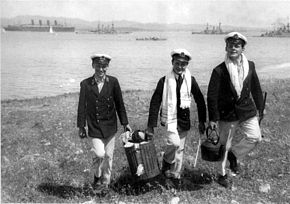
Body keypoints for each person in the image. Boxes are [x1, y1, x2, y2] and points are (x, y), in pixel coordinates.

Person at [207, 32, 264, 188]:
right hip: (228, 113)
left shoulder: (250, 65)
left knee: (255, 137)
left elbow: (256, 88)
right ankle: (222, 175)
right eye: (230, 45)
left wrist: (261, 108)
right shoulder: (219, 70)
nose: (233, 48)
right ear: (226, 47)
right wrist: (213, 118)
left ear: (242, 48)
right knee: (224, 145)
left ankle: (234, 155)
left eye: (237, 45)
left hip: (247, 110)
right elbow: (211, 96)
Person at [146, 48, 207, 186]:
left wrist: (202, 121)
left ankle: (174, 176)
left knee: (180, 150)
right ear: (172, 62)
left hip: (184, 121)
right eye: (177, 63)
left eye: (183, 64)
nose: (180, 67)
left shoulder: (191, 81)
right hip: (170, 120)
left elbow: (200, 100)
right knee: (174, 143)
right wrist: (151, 125)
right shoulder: (164, 81)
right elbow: (155, 102)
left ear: (187, 65)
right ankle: (167, 164)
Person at [77, 54, 132, 192]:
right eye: (98, 66)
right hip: (94, 127)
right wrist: (81, 126)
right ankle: (97, 177)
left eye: (104, 66)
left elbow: (120, 104)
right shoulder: (85, 84)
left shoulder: (113, 82)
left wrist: (125, 123)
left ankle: (105, 185)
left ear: (107, 67)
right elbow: (81, 106)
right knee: (100, 154)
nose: (101, 69)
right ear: (93, 66)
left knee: (109, 157)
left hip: (110, 126)